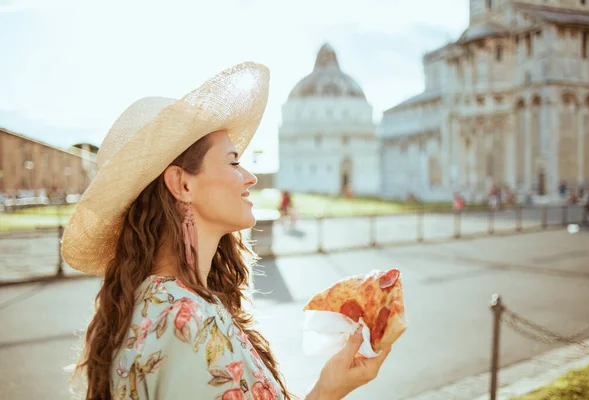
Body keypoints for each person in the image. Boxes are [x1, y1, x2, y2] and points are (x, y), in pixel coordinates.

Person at [62, 62, 392, 400]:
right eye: (234, 161)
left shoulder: (162, 304)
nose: (250, 177)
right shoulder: (185, 322)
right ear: (182, 185)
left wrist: (328, 387)